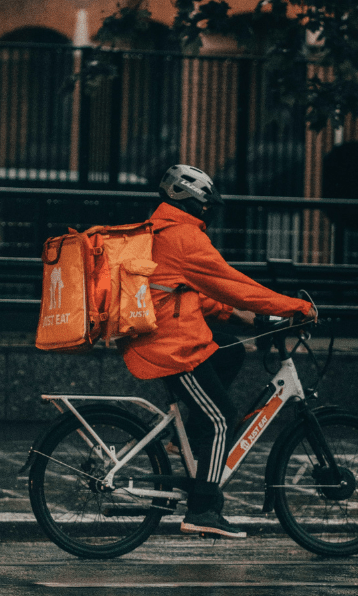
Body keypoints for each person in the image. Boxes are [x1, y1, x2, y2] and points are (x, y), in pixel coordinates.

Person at [121, 165, 314, 538]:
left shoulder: (162, 229)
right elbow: (233, 284)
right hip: (170, 346)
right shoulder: (184, 237)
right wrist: (296, 307)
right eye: (206, 203)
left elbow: (186, 293)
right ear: (191, 201)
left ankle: (187, 439)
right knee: (222, 417)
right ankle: (202, 510)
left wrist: (243, 318)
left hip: (166, 334)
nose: (208, 210)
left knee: (229, 351)